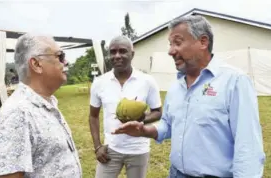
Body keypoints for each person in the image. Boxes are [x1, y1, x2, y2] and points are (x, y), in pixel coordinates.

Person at [113, 15, 266, 178]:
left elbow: (248, 148)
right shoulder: (176, 86)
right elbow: (168, 125)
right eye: (170, 44)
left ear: (203, 42)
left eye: (177, 43)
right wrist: (144, 130)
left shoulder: (234, 82)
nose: (170, 51)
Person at [0, 33, 82, 178]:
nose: (66, 62)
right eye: (60, 56)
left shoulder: (46, 103)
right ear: (36, 64)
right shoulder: (16, 114)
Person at [89, 36, 162, 178]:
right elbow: (93, 116)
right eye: (113, 52)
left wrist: (141, 119)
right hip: (110, 148)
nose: (117, 56)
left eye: (122, 51)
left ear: (132, 54)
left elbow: (158, 112)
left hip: (138, 149)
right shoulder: (99, 82)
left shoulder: (147, 81)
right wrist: (98, 146)